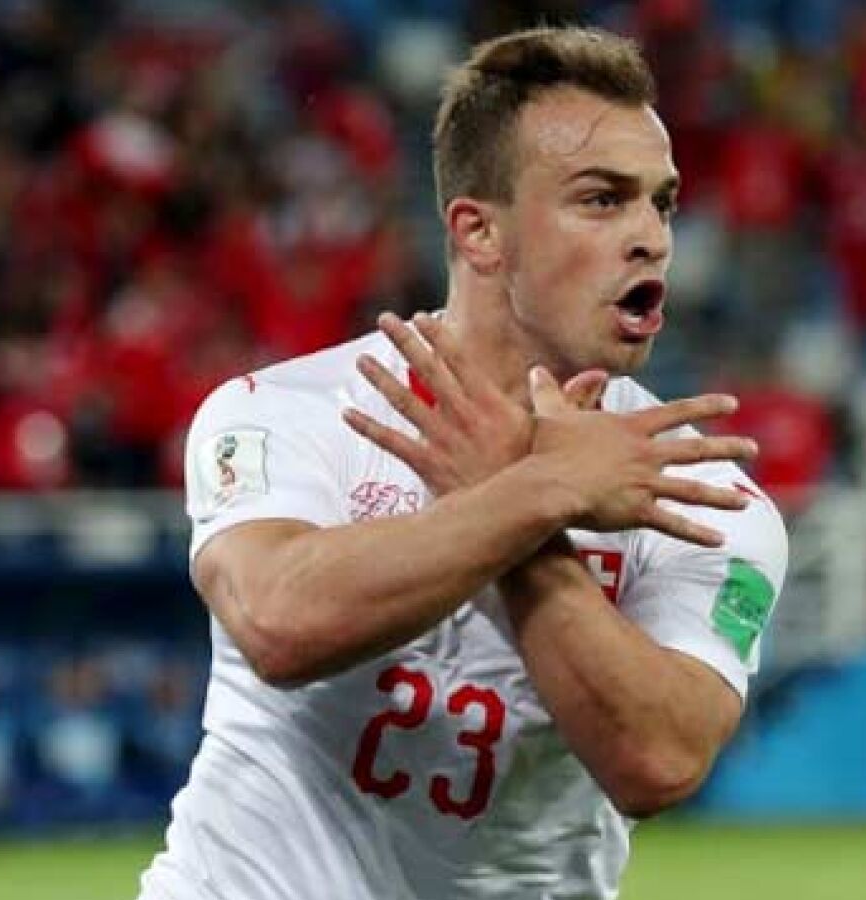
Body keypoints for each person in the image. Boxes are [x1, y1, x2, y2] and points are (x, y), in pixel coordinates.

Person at [138, 25, 787, 900]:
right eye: (602, 200)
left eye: (661, 203)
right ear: (479, 234)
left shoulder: (701, 492)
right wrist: (538, 487)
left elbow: (660, 760)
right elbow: (279, 621)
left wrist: (514, 508)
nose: (651, 238)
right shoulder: (279, 414)